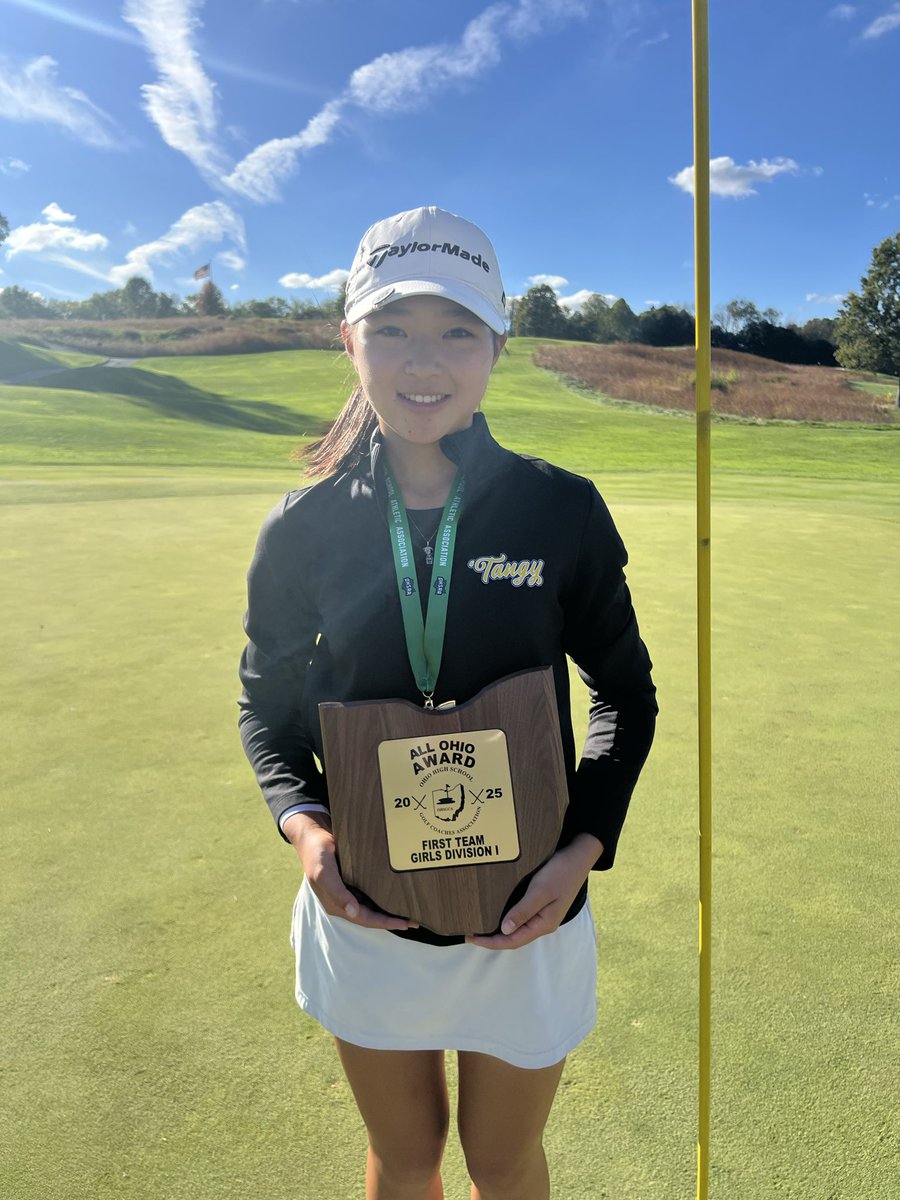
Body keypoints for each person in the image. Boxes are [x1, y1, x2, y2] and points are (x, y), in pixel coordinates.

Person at [238, 206, 657, 1200]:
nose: (423, 360)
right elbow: (267, 707)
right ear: (350, 342)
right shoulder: (302, 528)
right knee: (407, 1158)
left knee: (503, 1164)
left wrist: (584, 847)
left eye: (457, 330)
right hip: (368, 909)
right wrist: (306, 830)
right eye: (391, 328)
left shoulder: (561, 509)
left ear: (498, 346)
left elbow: (624, 693)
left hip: (529, 906)